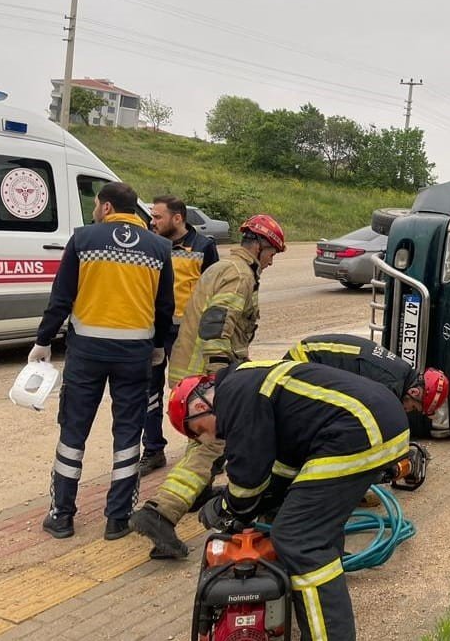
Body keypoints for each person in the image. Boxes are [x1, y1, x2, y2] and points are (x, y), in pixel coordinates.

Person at [169, 360, 415, 641]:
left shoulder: (233, 396)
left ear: (198, 407)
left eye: (198, 431)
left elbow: (248, 478)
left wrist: (225, 506)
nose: (208, 436)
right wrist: (260, 503)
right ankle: (319, 607)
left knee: (299, 539)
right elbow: (282, 469)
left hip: (360, 428)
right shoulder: (247, 382)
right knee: (316, 528)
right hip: (375, 421)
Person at [130, 214, 285, 558]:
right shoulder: (239, 275)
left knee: (203, 444)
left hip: (192, 373)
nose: (272, 261)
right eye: (272, 253)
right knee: (214, 444)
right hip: (205, 377)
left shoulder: (225, 268)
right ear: (259, 247)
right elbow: (217, 324)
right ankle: (160, 512)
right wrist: (220, 383)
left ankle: (194, 493)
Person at [30, 182, 174, 540]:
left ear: (107, 207)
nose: (95, 210)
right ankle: (118, 519)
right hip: (135, 355)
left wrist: (43, 340)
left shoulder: (83, 239)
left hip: (87, 354)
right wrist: (158, 346)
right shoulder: (159, 247)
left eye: (96, 205)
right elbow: (164, 307)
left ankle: (62, 516)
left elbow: (61, 297)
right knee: (128, 434)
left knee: (73, 432)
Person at [139, 195, 219, 476]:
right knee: (150, 391)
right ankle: (153, 449)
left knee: (194, 395)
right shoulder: (150, 245)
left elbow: (214, 291)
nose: (152, 222)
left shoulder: (204, 247)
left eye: (157, 217)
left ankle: (204, 451)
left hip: (187, 336)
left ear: (177, 218)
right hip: (154, 330)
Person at [285, 333, 450, 437]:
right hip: (302, 362)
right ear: (414, 392)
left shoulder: (400, 373)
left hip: (308, 356)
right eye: (413, 407)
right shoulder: (389, 386)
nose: (407, 410)